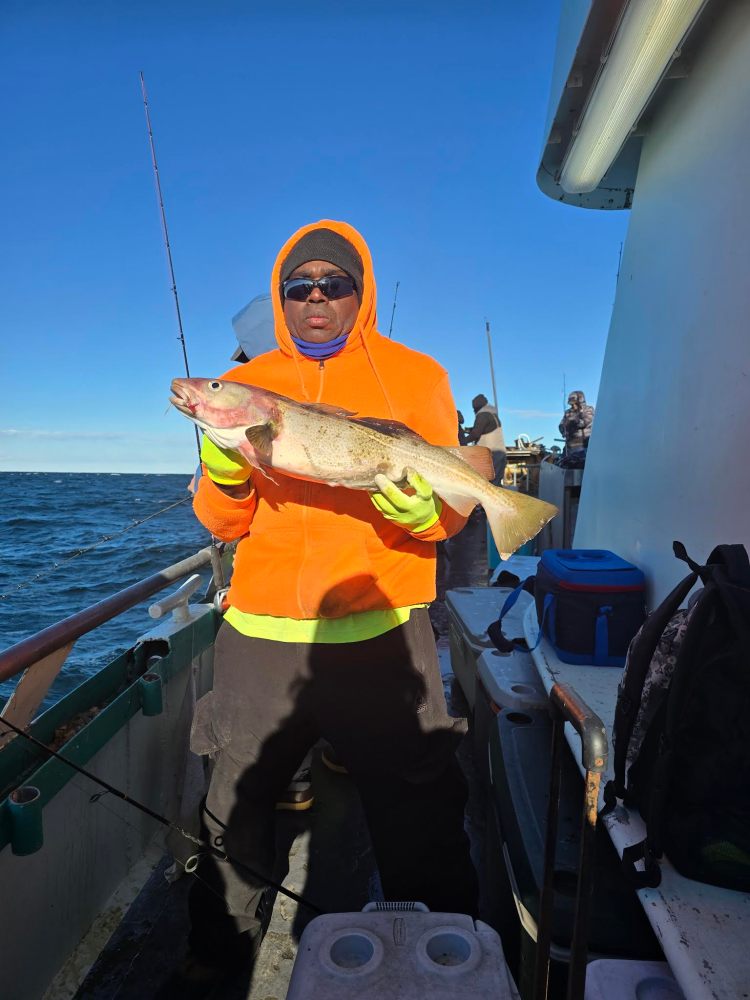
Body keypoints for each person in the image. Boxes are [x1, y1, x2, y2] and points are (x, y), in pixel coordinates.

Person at [166, 220, 479, 996]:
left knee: (420, 811)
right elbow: (223, 524)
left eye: (333, 283)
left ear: (359, 291)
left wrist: (428, 517)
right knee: (234, 810)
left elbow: (452, 506)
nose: (315, 296)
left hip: (380, 630)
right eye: (297, 285)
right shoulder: (247, 386)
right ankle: (218, 957)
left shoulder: (418, 377)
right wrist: (223, 465)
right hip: (263, 630)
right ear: (280, 299)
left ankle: (453, 950)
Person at [466, 392, 506, 486]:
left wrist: (463, 441)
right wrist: (470, 430)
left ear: (476, 407)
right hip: (500, 454)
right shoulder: (492, 414)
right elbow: (485, 429)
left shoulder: (482, 415)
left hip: (491, 455)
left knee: (486, 484)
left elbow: (475, 434)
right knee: (496, 485)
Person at [559, 390, 595, 454]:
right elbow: (561, 425)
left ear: (580, 402)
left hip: (584, 445)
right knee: (563, 461)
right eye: (572, 404)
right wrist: (563, 430)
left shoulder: (589, 409)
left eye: (575, 403)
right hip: (569, 446)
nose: (573, 406)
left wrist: (570, 424)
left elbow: (583, 423)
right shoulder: (568, 412)